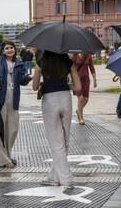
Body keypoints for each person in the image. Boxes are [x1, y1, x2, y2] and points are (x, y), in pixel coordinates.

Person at [32, 50, 81, 188]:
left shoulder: (41, 63)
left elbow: (35, 86)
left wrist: (44, 82)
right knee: (64, 140)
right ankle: (54, 177)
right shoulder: (69, 62)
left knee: (56, 142)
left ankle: (66, 180)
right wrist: (65, 85)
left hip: (49, 100)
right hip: (65, 98)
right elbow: (78, 87)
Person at [0, 41, 31, 168]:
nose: (10, 50)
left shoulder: (19, 63)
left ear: (15, 49)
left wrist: (28, 78)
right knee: (0, 129)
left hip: (14, 97)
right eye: (7, 48)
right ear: (3, 50)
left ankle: (7, 155)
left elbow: (21, 81)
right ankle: (2, 160)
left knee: (13, 129)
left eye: (12, 48)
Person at [72, 53, 97, 125]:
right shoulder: (75, 55)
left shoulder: (88, 56)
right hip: (77, 80)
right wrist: (71, 78)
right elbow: (70, 67)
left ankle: (78, 111)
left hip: (86, 80)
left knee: (86, 99)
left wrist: (94, 80)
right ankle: (81, 118)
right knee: (81, 98)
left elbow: (92, 68)